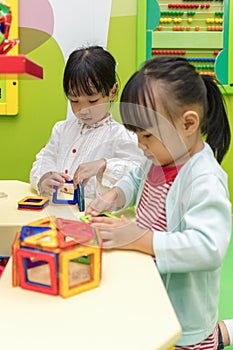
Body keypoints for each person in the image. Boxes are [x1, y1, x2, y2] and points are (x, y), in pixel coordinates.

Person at [86, 56, 233, 349]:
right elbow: (136, 178)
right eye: (136, 135)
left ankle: (220, 333)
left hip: (185, 316)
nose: (141, 145)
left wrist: (141, 239)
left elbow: (209, 247)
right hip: (152, 291)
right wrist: (114, 195)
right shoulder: (159, 156)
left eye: (147, 135)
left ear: (188, 123)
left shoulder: (204, 179)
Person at [30, 45, 144, 199]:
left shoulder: (122, 136)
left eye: (92, 100)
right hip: (59, 212)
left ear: (113, 91)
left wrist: (105, 166)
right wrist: (44, 177)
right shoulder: (61, 130)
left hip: (94, 217)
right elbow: (44, 160)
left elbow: (140, 175)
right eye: (74, 100)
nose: (83, 109)